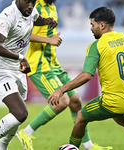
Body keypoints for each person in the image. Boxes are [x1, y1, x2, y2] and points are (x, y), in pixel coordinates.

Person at [48, 7, 124, 150]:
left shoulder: (96, 46)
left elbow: (86, 75)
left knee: (80, 117)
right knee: (121, 118)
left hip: (113, 102)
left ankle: (71, 148)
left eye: (92, 24)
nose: (91, 28)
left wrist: (61, 90)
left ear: (102, 25)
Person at [15, 0, 98, 150]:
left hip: (53, 63)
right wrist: (49, 40)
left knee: (76, 102)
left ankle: (88, 146)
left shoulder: (52, 7)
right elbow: (22, 34)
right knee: (61, 102)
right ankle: (26, 132)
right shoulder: (36, 6)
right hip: (39, 66)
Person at [0, 0, 58, 150]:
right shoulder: (7, 16)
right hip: (0, 69)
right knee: (20, 113)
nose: (30, 5)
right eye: (27, 1)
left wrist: (47, 21)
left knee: (16, 115)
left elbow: (36, 18)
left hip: (17, 69)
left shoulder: (30, 11)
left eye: (33, 2)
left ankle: (2, 147)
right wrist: (21, 58)